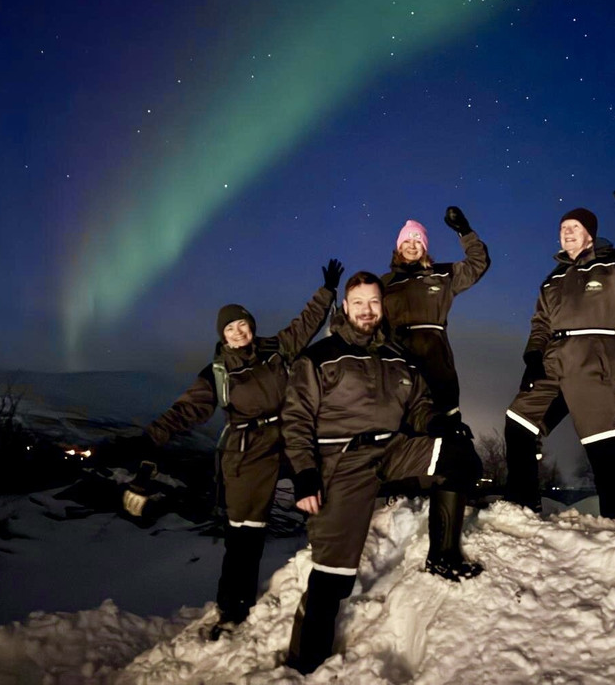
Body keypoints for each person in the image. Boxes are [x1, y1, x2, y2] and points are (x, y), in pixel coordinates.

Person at [121, 259, 343, 640]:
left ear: (251, 326)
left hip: (290, 437)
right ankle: (231, 607)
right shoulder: (217, 372)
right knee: (245, 534)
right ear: (222, 336)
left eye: (242, 324)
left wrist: (326, 292)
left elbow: (305, 325)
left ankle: (342, 550)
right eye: (230, 328)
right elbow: (187, 409)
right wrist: (151, 436)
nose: (239, 332)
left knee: (329, 483)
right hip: (247, 451)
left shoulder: (275, 348)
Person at [281, 271, 483, 674]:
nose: (367, 310)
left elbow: (419, 405)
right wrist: (304, 474)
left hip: (392, 449)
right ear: (345, 308)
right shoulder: (320, 357)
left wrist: (437, 424)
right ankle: (304, 664)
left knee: (458, 457)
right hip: (343, 462)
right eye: (359, 302)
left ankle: (443, 556)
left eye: (374, 302)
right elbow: (296, 419)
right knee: (333, 576)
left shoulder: (398, 356)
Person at [504, 186, 615, 518]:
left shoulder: (614, 263)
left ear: (590, 237)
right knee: (518, 423)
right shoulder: (552, 279)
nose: (566, 231)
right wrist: (533, 356)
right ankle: (522, 507)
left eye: (574, 227)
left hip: (593, 359)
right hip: (552, 360)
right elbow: (540, 322)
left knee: (603, 444)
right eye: (563, 227)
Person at [381, 207, 490, 432]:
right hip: (397, 358)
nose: (412, 246)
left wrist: (464, 231)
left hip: (435, 359)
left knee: (444, 423)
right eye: (407, 241)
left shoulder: (442, 274)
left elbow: (478, 263)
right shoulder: (385, 283)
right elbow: (362, 312)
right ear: (398, 246)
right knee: (402, 425)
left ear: (424, 247)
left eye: (417, 241)